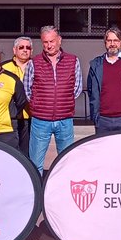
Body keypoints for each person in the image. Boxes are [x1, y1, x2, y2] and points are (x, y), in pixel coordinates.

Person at [24, 25, 82, 176]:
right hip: (40, 121)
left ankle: (62, 193)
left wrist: (63, 102)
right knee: (35, 162)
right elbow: (27, 89)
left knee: (66, 160)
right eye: (45, 42)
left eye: (52, 41)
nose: (49, 45)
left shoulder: (73, 61)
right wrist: (40, 105)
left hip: (65, 120)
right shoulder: (34, 63)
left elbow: (77, 88)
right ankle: (38, 194)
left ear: (59, 40)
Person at [1, 36, 34, 155]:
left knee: (27, 153)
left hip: (30, 117)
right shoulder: (3, 68)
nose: (25, 50)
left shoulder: (37, 67)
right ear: (15, 50)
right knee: (10, 153)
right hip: (9, 118)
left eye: (28, 48)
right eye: (21, 47)